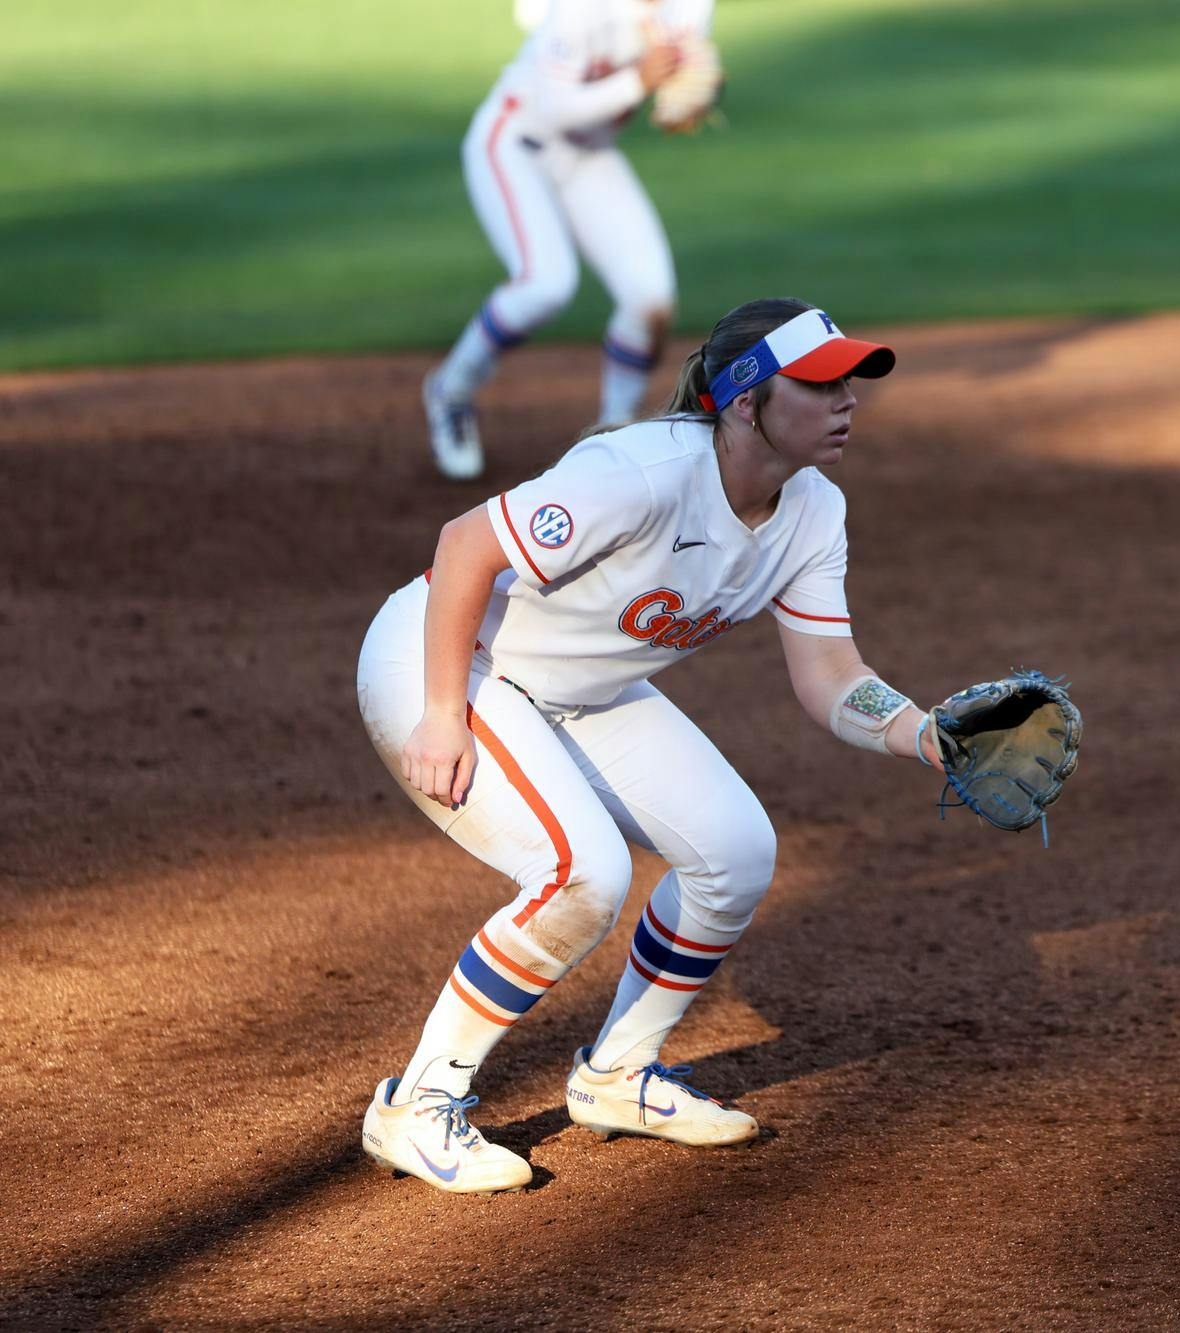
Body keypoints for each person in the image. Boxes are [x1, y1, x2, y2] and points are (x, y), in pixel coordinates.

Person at [359, 298, 944, 1193]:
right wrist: (442, 712)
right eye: (820, 383)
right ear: (746, 403)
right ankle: (417, 1103)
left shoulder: (813, 511)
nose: (846, 400)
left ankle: (617, 1075)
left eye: (850, 382)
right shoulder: (640, 471)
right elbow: (465, 544)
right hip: (450, 656)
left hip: (579, 690)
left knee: (737, 854)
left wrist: (926, 734)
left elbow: (829, 675)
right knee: (580, 873)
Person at [422, 0, 720, 481]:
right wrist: (638, 82)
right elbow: (555, 107)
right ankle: (450, 390)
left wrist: (687, 89)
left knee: (650, 298)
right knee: (545, 283)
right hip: (515, 140)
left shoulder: (693, 5)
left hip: (590, 155)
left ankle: (615, 438)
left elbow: (687, 64)